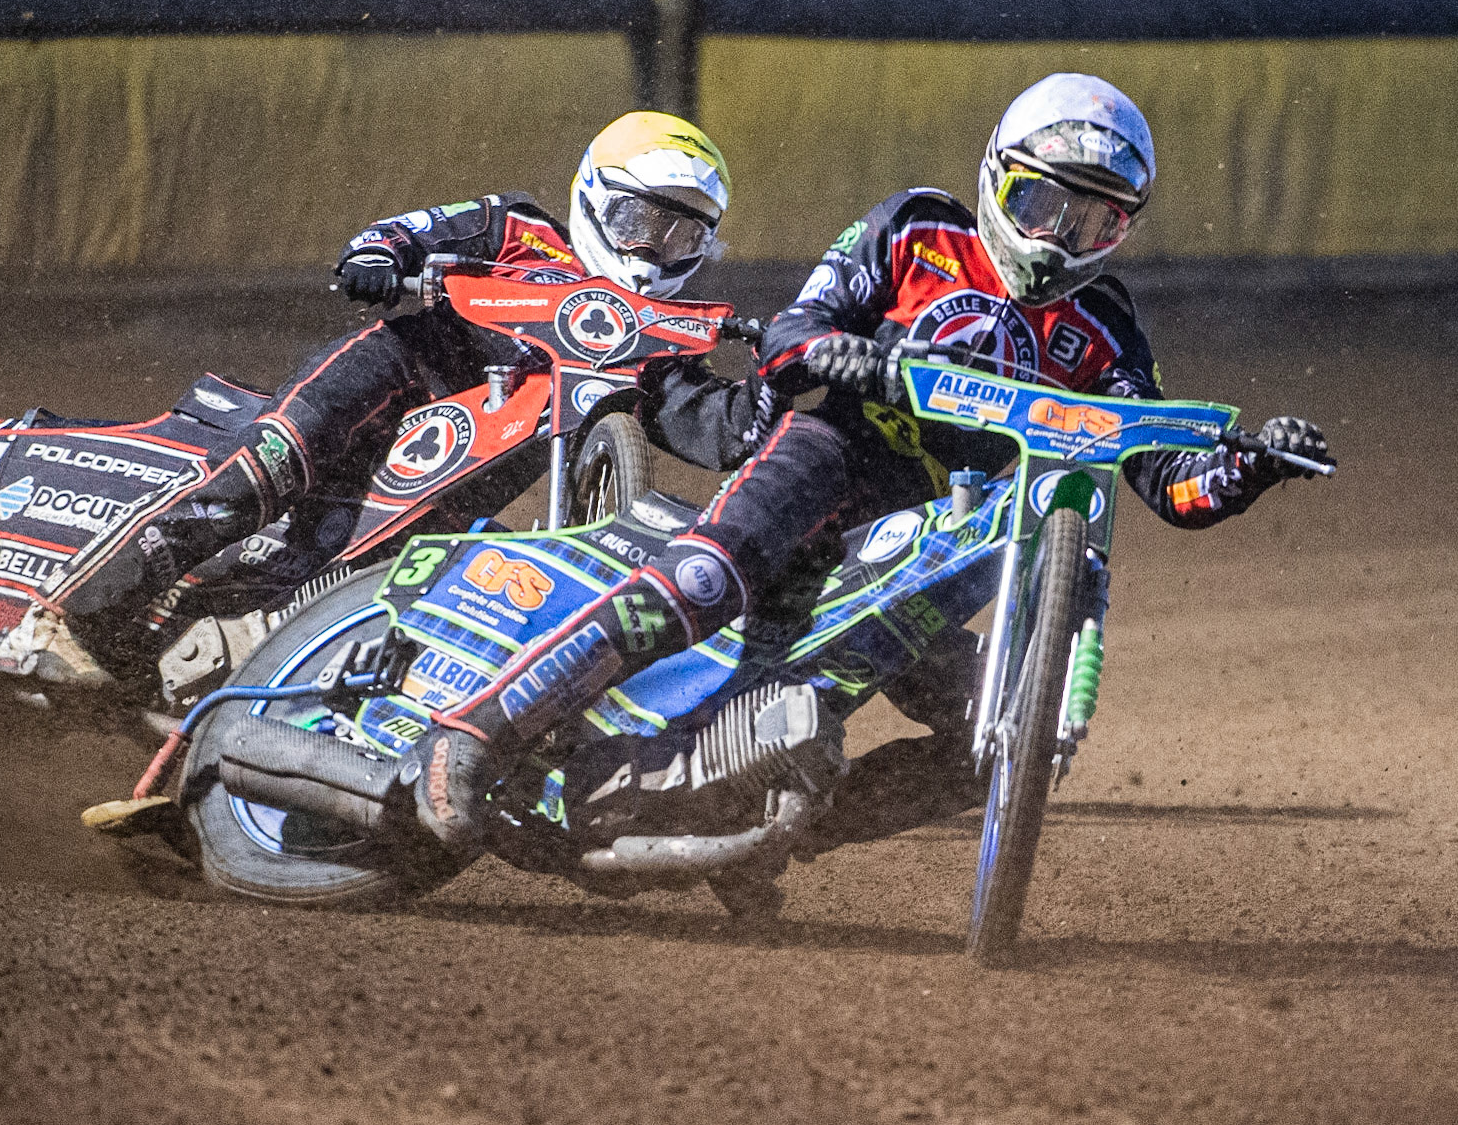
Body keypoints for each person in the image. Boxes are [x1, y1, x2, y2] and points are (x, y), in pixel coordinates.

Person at [408, 73, 1333, 854]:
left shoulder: (1108, 328)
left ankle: (746, 834)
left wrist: (1250, 464)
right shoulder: (917, 231)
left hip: (936, 533)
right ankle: (478, 730)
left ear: (1122, 232)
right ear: (997, 180)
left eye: (1093, 223)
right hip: (833, 456)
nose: (1057, 238)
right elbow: (794, 333)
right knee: (703, 574)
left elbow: (1165, 476)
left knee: (1013, 733)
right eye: (1042, 204)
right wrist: (839, 356)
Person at [24, 111, 761, 673]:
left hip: (450, 487)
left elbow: (723, 428)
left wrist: (785, 379)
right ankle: (67, 616)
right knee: (263, 469)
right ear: (596, 196)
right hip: (400, 370)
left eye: (680, 237)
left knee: (431, 591)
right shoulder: (520, 229)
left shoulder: (654, 345)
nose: (651, 251)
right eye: (639, 221)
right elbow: (409, 232)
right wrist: (380, 255)